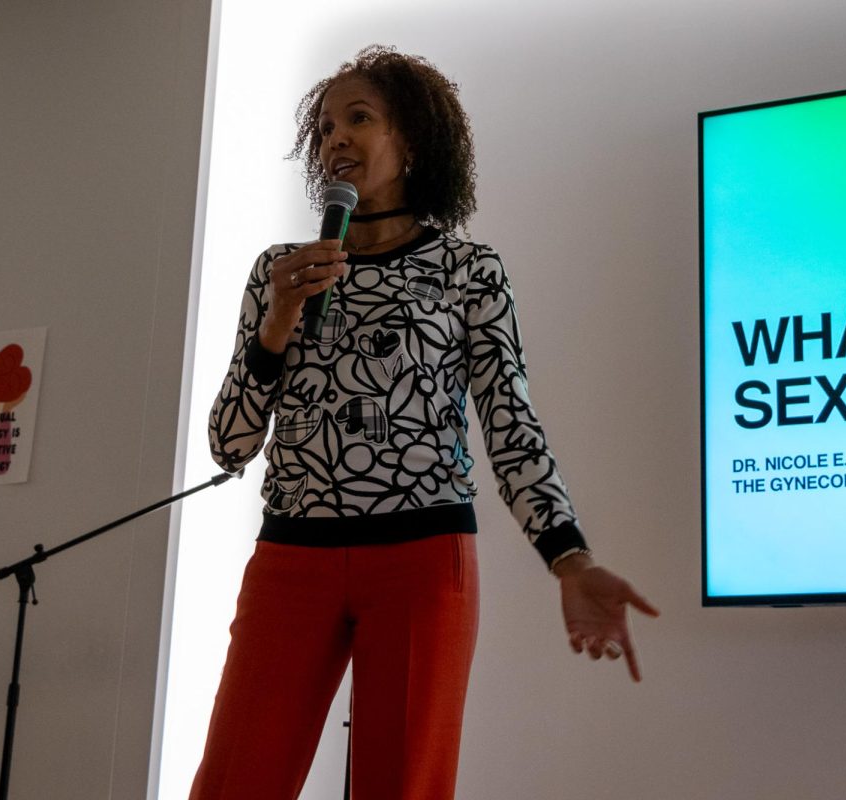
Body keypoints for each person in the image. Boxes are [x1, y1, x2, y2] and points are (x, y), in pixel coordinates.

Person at [192, 45, 658, 800]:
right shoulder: (280, 270)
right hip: (291, 560)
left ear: (411, 142)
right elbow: (230, 444)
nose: (334, 138)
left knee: (403, 786)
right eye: (324, 127)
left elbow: (511, 425)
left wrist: (570, 560)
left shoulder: (470, 271)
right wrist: (277, 321)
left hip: (420, 559)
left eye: (358, 118)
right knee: (233, 783)